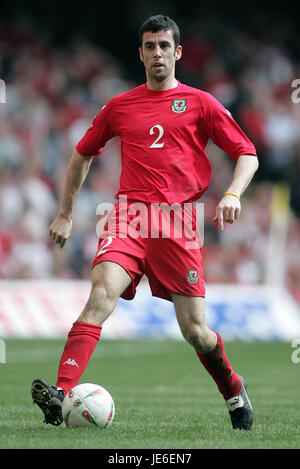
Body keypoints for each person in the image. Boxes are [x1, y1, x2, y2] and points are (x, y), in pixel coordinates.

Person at [31, 15, 258, 430]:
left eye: (164, 46)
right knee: (101, 296)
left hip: (179, 224)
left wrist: (232, 193)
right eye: (150, 46)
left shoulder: (201, 103)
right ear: (140, 53)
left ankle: (232, 387)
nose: (157, 53)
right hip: (129, 218)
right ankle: (61, 392)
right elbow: (83, 153)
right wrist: (65, 213)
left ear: (178, 52)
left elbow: (247, 152)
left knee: (196, 332)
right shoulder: (120, 106)